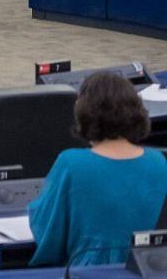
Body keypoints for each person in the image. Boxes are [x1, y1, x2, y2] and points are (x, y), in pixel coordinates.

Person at [29, 72, 167, 267]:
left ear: (83, 113)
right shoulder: (160, 162)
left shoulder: (71, 163)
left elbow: (48, 232)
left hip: (88, 271)